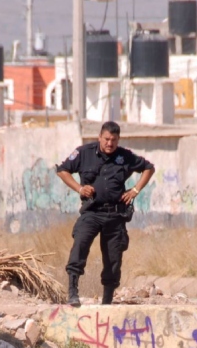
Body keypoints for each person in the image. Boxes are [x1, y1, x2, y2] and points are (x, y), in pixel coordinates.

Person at [58, 121, 155, 306]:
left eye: (114, 140)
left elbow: (149, 168)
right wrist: (79, 188)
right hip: (92, 212)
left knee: (113, 258)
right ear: (99, 137)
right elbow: (62, 170)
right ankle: (72, 292)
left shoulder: (125, 156)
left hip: (115, 215)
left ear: (118, 140)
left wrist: (135, 190)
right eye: (107, 139)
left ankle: (107, 301)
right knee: (80, 245)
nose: (110, 144)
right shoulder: (84, 153)